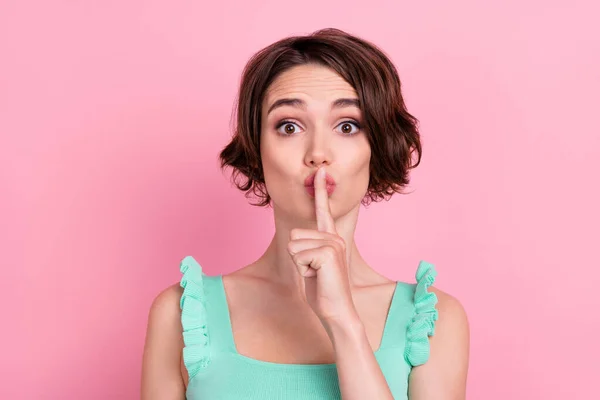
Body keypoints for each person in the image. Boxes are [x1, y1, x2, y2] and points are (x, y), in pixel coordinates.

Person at [141, 28, 470, 400]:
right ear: (256, 150)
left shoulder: (431, 321)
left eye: (347, 126)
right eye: (289, 126)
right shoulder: (181, 317)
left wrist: (344, 322)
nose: (318, 153)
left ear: (377, 147)